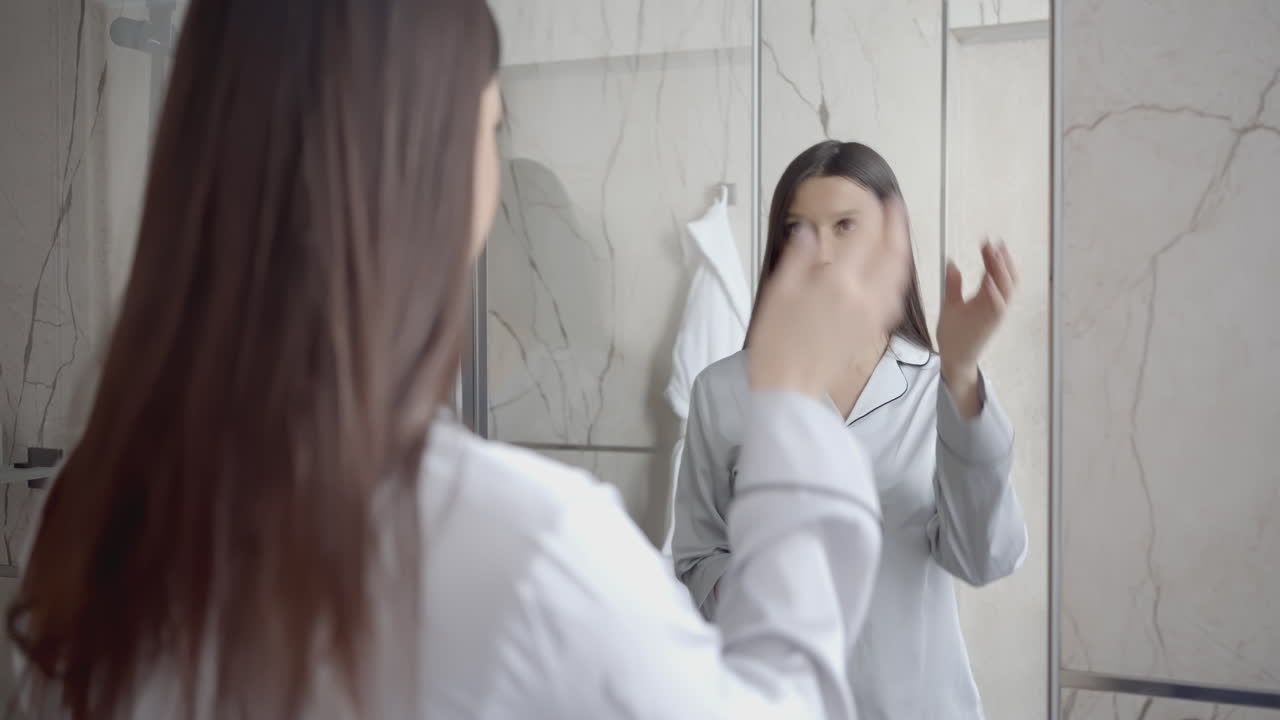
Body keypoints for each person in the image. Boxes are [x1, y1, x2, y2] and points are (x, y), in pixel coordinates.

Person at [7, 2, 915, 718]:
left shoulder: (87, 508)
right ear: (421, 169)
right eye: (492, 129)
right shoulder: (528, 549)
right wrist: (792, 411)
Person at [672, 140, 1028, 720]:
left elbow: (986, 558)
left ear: (890, 237)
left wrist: (961, 373)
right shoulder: (723, 391)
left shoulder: (935, 387)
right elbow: (694, 564)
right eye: (799, 229)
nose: (822, 252)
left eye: (845, 226)